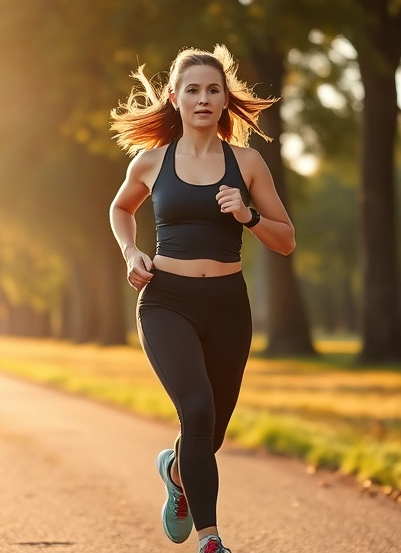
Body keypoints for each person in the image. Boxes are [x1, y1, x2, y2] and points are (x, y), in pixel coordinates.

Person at [107, 45, 297, 553]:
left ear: (225, 100)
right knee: (196, 409)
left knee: (211, 430)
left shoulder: (247, 163)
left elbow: (286, 240)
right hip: (166, 300)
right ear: (174, 98)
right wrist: (131, 252)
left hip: (229, 304)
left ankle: (176, 470)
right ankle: (210, 540)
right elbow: (121, 209)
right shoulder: (151, 161)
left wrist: (248, 215)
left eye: (214, 89)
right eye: (192, 90)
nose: (204, 99)